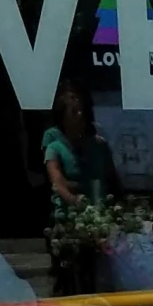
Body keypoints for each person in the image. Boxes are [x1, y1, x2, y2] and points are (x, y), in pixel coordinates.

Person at [42, 76, 115, 293]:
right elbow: (58, 183)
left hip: (98, 217)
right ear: (63, 117)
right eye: (73, 112)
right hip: (69, 219)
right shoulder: (54, 147)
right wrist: (77, 203)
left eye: (81, 110)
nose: (79, 116)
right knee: (69, 274)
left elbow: (112, 179)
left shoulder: (98, 146)